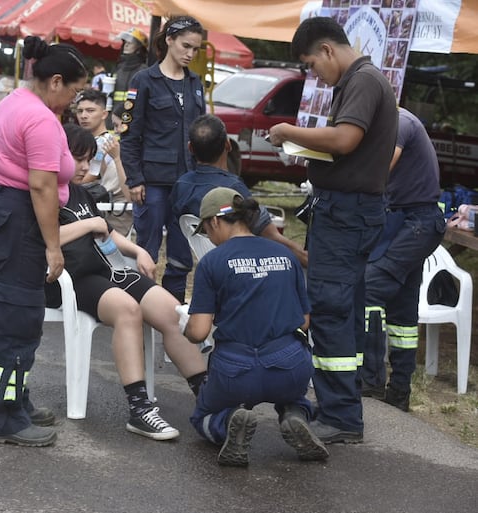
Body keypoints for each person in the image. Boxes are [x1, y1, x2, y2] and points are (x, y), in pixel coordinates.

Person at [268, 16, 398, 443]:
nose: (314, 75)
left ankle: (340, 416)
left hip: (347, 214)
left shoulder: (362, 81)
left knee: (330, 309)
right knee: (342, 308)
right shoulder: (362, 80)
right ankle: (343, 404)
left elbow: (344, 141)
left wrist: (289, 131)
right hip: (349, 211)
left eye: (310, 65)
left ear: (326, 50)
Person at [0, 36, 88, 447]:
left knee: (14, 320)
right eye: (74, 90)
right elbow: (42, 186)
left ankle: (16, 400)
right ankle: (3, 418)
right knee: (16, 326)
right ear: (56, 81)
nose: (74, 99)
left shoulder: (15, 100)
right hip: (17, 222)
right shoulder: (39, 119)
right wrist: (53, 246)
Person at [50, 123, 207, 440]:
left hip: (108, 269)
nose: (83, 167)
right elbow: (41, 241)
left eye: (88, 160)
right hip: (69, 281)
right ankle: (140, 409)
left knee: (171, 310)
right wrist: (89, 224)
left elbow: (106, 233)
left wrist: (138, 251)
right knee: (128, 309)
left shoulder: (80, 193)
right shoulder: (41, 193)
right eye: (77, 159)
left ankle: (209, 396)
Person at [182, 187, 328, 466]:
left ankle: (226, 424)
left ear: (214, 221)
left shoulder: (212, 261)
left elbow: (199, 331)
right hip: (289, 366)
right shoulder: (285, 255)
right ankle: (295, 415)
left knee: (201, 416)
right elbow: (304, 320)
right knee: (297, 397)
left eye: (206, 231)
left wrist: (186, 328)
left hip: (235, 373)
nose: (209, 238)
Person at [361, 107, 445, 412]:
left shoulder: (397, 122)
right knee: (402, 311)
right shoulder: (393, 122)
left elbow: (380, 171)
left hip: (417, 222)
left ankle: (370, 378)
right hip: (409, 221)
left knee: (370, 288)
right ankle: (399, 392)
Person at [120, 16, 206, 303]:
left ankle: (173, 307)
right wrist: (134, 179)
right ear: (169, 39)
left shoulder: (195, 84)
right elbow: (130, 135)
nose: (190, 54)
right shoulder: (144, 80)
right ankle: (141, 305)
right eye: (186, 46)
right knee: (146, 247)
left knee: (182, 252)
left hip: (186, 183)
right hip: (152, 182)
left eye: (196, 49)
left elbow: (199, 134)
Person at [171, 114, 308, 267]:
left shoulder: (181, 186)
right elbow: (271, 236)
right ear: (228, 145)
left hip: (208, 261)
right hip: (241, 263)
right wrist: (306, 258)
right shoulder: (233, 189)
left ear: (190, 148)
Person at [74, 88, 131, 236]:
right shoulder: (93, 141)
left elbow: (92, 176)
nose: (84, 116)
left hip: (108, 212)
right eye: (80, 111)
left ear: (104, 114)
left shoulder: (106, 144)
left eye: (90, 110)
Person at [111, 28, 148, 114]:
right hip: (113, 116)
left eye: (130, 43)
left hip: (132, 115)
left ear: (139, 48)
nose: (126, 45)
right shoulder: (118, 68)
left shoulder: (143, 70)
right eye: (125, 43)